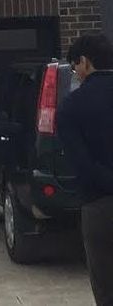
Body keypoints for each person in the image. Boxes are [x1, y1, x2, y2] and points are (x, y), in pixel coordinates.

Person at [56, 33, 113, 306]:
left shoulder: (71, 107)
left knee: (106, 287)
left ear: (85, 62)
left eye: (74, 66)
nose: (76, 73)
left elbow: (82, 164)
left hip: (100, 205)